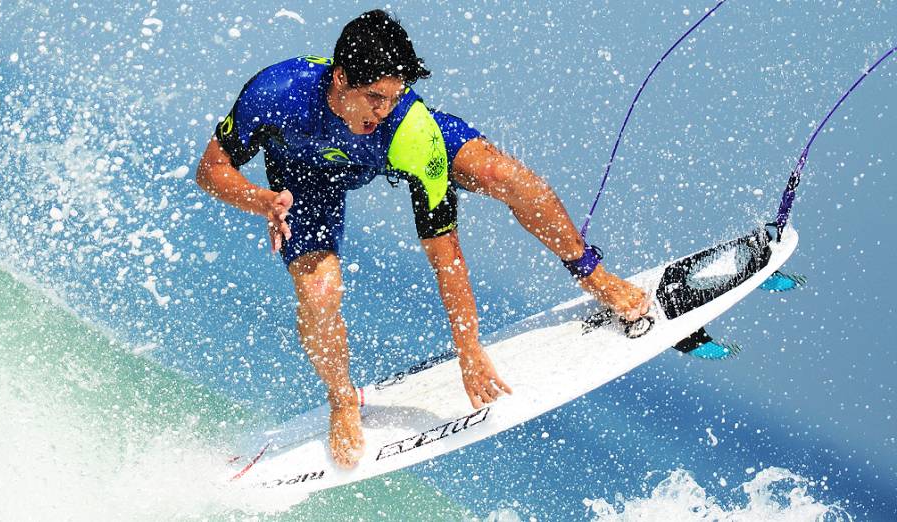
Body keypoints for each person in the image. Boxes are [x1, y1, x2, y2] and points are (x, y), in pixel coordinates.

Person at [196, 9, 649, 469]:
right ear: (340, 79)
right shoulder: (277, 94)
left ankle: (591, 273)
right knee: (319, 291)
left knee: (507, 176)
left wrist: (468, 350)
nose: (383, 110)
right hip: (304, 177)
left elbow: (445, 255)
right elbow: (210, 171)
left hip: (391, 156)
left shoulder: (410, 129)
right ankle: (342, 399)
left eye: (394, 97)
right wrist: (263, 201)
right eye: (374, 97)